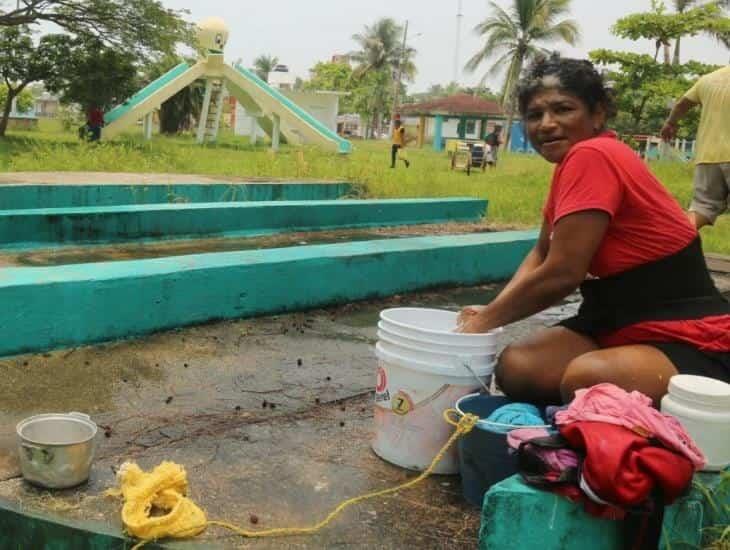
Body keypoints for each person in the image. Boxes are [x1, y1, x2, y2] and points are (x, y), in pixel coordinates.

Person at [457, 54, 730, 407]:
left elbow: (562, 274)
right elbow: (542, 252)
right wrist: (491, 311)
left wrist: (483, 324)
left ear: (597, 114)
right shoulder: (571, 165)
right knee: (518, 367)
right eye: (534, 115)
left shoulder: (594, 155)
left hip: (682, 328)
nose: (547, 124)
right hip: (615, 319)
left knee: (585, 380)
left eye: (563, 109)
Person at [661, 65, 730, 230]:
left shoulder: (708, 79)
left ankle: (670, 241)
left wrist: (670, 123)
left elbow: (681, 105)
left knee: (701, 208)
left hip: (707, 157)